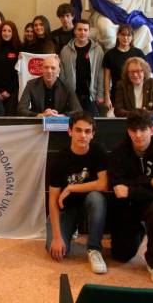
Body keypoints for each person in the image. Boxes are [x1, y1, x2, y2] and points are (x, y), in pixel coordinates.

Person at [108, 109, 153, 284]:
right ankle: (140, 230)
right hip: (129, 203)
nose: (138, 135)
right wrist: (151, 181)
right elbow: (118, 189)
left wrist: (132, 189)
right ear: (128, 131)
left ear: (152, 130)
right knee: (121, 255)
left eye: (143, 130)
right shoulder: (119, 152)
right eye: (133, 130)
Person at [46, 111, 109, 274]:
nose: (83, 135)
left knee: (97, 198)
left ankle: (94, 249)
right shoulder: (59, 160)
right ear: (70, 132)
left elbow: (103, 184)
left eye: (87, 131)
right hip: (66, 208)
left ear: (93, 134)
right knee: (57, 251)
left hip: (89, 204)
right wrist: (57, 237)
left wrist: (71, 187)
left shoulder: (98, 151)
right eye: (78, 130)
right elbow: (53, 200)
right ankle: (69, 229)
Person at [59, 19, 106, 116]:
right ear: (75, 31)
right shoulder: (65, 50)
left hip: (91, 95)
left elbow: (100, 74)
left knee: (92, 123)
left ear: (89, 32)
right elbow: (62, 75)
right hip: (72, 95)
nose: (82, 32)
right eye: (79, 29)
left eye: (85, 30)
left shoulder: (97, 50)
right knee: (73, 123)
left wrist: (100, 95)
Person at [102, 24, 145, 111]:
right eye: (123, 35)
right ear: (118, 35)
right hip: (117, 94)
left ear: (132, 37)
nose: (126, 38)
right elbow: (106, 77)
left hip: (136, 93)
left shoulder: (138, 53)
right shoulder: (110, 54)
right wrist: (107, 97)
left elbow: (144, 75)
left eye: (129, 35)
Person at [0, 21, 21, 115]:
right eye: (4, 30)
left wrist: (9, 91)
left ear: (13, 33)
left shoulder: (19, 48)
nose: (6, 33)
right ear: (0, 32)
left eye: (9, 31)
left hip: (13, 91)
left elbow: (19, 73)